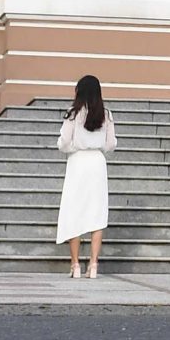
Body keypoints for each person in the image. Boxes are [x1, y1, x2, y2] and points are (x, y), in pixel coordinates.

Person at [56, 73, 115, 279]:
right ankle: (94, 264)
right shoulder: (106, 114)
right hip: (97, 163)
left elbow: (63, 142)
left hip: (78, 162)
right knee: (96, 213)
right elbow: (111, 144)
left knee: (75, 210)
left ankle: (75, 265)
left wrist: (75, 147)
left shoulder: (73, 113)